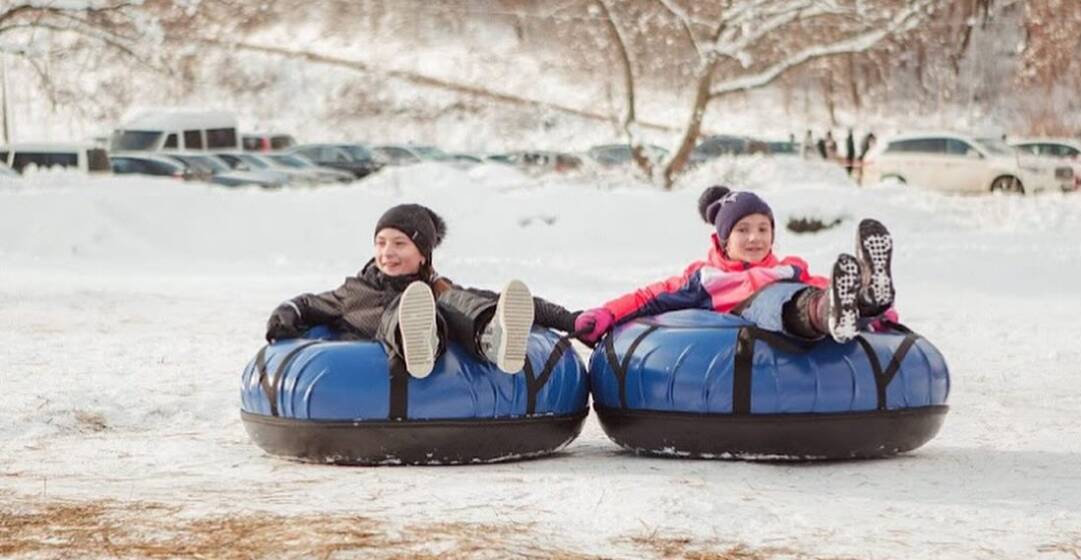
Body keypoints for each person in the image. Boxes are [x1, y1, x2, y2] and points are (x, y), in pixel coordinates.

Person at [265, 203, 577, 378]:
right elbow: (307, 303)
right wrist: (285, 315)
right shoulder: (354, 291)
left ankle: (491, 336)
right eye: (381, 243)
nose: (387, 252)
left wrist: (571, 320)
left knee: (457, 303)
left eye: (400, 244)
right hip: (392, 339)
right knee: (407, 310)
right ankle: (417, 339)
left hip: (435, 314)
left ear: (423, 254)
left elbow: (511, 302)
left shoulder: (439, 288)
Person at [574, 186, 897, 345]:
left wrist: (879, 315)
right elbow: (649, 296)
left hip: (803, 298)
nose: (755, 238)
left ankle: (870, 298)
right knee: (777, 299)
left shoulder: (791, 268)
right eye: (742, 230)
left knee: (818, 290)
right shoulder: (705, 278)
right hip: (759, 313)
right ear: (724, 239)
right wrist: (608, 313)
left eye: (763, 229)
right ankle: (832, 314)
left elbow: (830, 284)